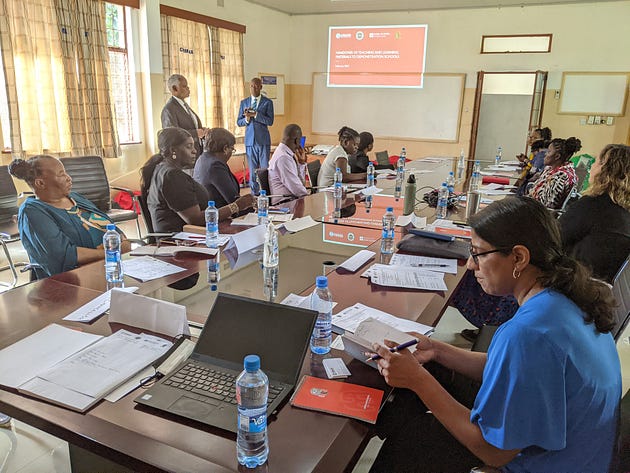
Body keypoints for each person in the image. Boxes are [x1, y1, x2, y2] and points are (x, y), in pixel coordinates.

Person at [370, 196, 621, 473]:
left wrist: (418, 381)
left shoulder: (527, 333)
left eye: (478, 253)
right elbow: (513, 369)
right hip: (582, 456)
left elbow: (494, 452)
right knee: (434, 370)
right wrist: (438, 349)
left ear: (518, 257)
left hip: (542, 465)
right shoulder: (564, 300)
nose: (470, 265)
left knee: (412, 441)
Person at [8, 155, 130, 279]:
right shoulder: (32, 211)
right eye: (61, 175)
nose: (69, 178)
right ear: (40, 183)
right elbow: (64, 255)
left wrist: (121, 244)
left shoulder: (75, 198)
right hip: (75, 282)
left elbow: (112, 230)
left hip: (110, 269)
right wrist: (110, 253)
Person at [141, 128, 251, 233]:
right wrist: (235, 206)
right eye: (189, 146)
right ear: (173, 150)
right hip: (179, 240)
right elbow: (195, 219)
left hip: (189, 235)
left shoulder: (162, 169)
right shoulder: (172, 175)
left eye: (194, 146)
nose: (194, 151)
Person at [559, 143, 630, 283]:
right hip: (603, 291)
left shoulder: (593, 205)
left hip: (574, 284)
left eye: (596, 162)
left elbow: (553, 238)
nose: (591, 167)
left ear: (606, 170)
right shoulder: (625, 210)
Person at [193, 128, 255, 211]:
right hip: (220, 215)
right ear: (225, 148)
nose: (231, 153)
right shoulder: (215, 166)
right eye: (232, 149)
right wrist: (257, 207)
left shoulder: (202, 159)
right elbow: (233, 201)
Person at [237, 77, 274, 193]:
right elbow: (239, 122)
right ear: (250, 87)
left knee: (263, 170)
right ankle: (254, 195)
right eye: (252, 86)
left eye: (257, 86)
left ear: (261, 87)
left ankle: (265, 194)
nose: (254, 88)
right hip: (249, 141)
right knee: (252, 171)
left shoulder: (268, 102)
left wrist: (256, 115)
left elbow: (270, 121)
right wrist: (247, 119)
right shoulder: (244, 102)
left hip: (263, 141)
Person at [161, 74, 209, 157]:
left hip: (196, 153)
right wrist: (195, 133)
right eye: (184, 86)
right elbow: (172, 136)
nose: (188, 89)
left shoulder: (185, 106)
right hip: (183, 157)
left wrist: (201, 130)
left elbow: (190, 126)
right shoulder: (169, 109)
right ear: (174, 88)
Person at [528, 137, 581, 209]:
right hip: (531, 205)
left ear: (557, 156)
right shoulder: (550, 169)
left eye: (549, 152)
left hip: (537, 213)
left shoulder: (561, 176)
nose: (545, 154)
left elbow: (546, 205)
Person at [267, 124, 308, 204]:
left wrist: (301, 163)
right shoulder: (283, 158)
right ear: (297, 141)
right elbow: (297, 190)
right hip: (285, 203)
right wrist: (310, 198)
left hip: (292, 199)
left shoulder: (286, 154)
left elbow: (300, 184)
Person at [515, 126, 552, 195]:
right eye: (530, 137)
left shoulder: (541, 153)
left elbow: (534, 169)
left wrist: (526, 161)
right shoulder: (536, 152)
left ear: (542, 140)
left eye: (535, 138)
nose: (531, 140)